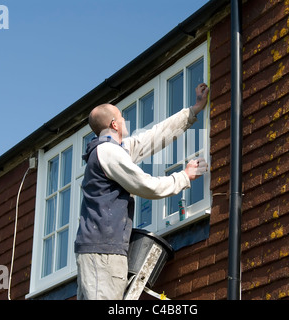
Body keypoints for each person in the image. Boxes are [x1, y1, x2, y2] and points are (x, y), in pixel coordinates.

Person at [74, 83, 210, 300]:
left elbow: (155, 137)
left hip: (103, 249)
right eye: (121, 117)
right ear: (114, 124)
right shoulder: (108, 152)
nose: (124, 121)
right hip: (103, 251)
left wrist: (193, 111)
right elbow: (145, 185)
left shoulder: (114, 149)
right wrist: (184, 177)